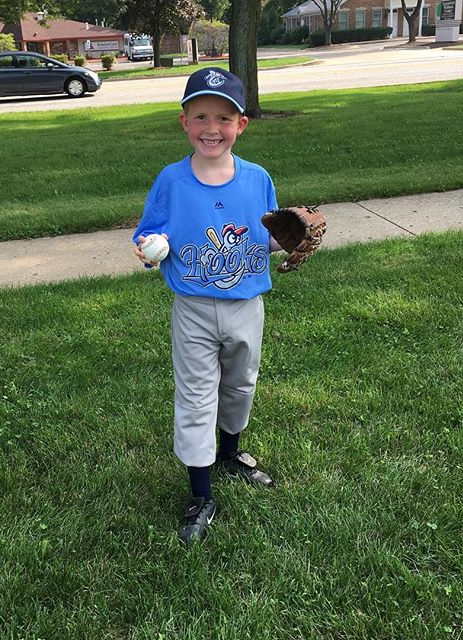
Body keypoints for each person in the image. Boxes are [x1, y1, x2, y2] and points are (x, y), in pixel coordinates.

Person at [133, 67, 283, 543]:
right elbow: (147, 231)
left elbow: (271, 235)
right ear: (184, 122)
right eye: (200, 115)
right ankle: (201, 493)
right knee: (198, 395)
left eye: (223, 116)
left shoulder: (258, 179)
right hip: (193, 307)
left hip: (246, 304)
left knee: (241, 384)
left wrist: (290, 238)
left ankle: (230, 453)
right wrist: (149, 243)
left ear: (242, 124)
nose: (211, 128)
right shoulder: (173, 181)